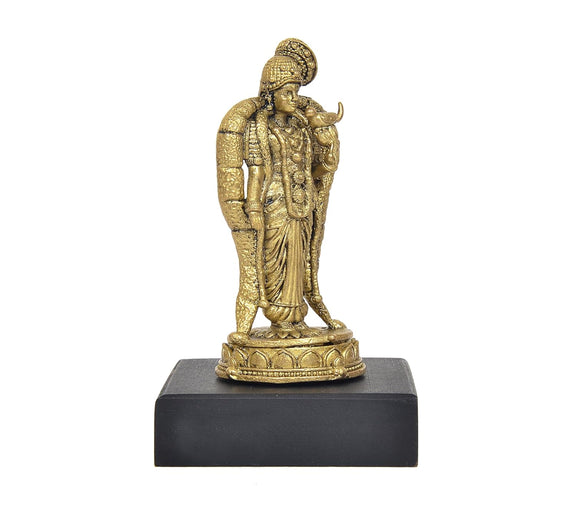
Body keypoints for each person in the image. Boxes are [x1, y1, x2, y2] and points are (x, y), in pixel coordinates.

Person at [217, 39, 344, 339]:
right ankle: (278, 321)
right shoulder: (259, 126)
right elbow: (257, 172)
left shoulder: (301, 126)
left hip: (302, 205)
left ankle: (297, 320)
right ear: (270, 93)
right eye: (287, 92)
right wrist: (253, 209)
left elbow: (314, 171)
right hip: (273, 205)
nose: (293, 98)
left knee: (299, 262)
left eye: (296, 92)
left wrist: (329, 157)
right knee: (273, 264)